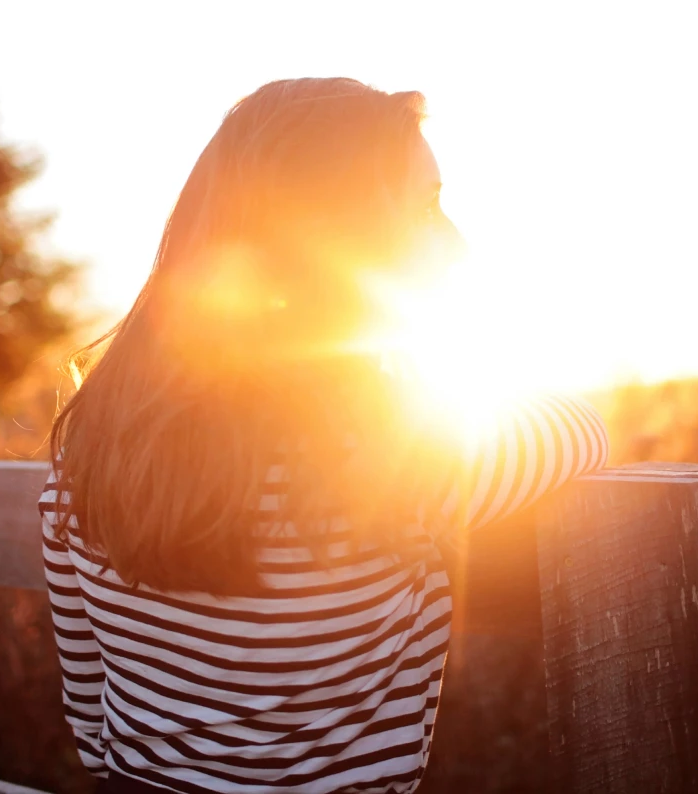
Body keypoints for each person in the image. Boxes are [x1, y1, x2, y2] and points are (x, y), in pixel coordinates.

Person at [39, 77, 609, 794]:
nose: (458, 243)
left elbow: (88, 708)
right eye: (428, 205)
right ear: (340, 233)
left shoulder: (88, 443)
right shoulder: (391, 453)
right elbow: (583, 429)